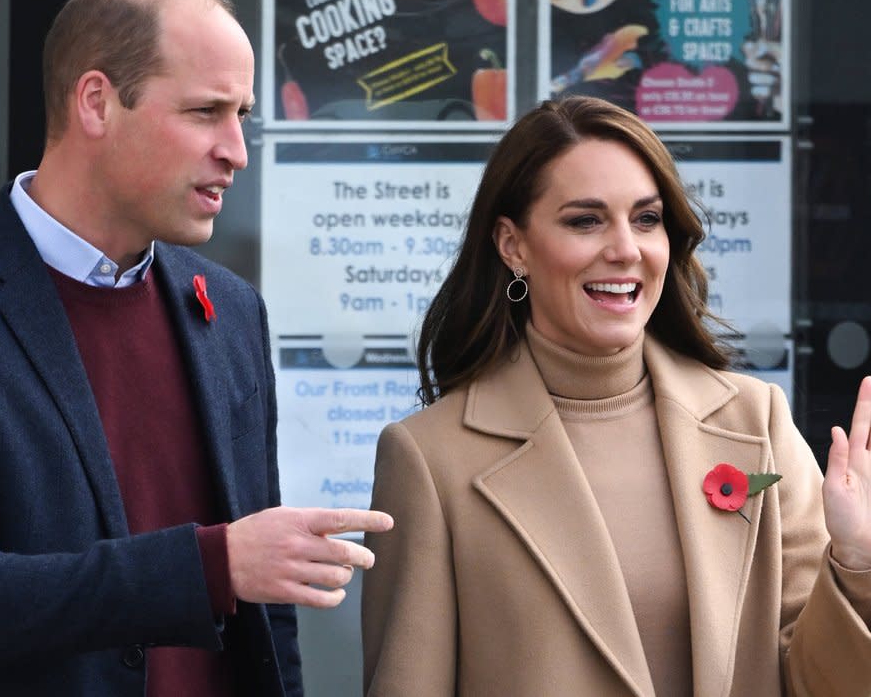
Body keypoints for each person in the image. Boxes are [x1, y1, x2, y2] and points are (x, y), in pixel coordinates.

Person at [0, 0, 392, 697]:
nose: (237, 151)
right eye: (207, 112)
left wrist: (235, 572)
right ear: (96, 103)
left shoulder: (232, 311)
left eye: (244, 115)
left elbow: (264, 624)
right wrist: (212, 567)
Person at [361, 95, 871, 695]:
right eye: (586, 220)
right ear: (512, 245)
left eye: (647, 219)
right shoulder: (429, 458)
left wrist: (857, 564)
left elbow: (818, 684)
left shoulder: (754, 421)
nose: (626, 248)